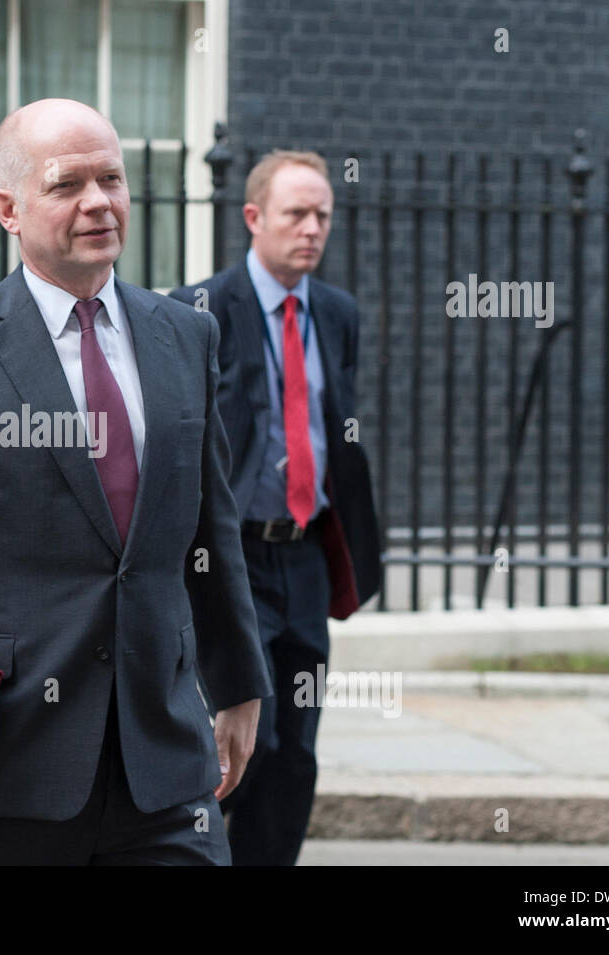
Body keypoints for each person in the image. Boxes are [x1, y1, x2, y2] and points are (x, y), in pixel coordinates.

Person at [0, 98, 270, 866]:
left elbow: (211, 530)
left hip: (163, 765)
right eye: (68, 184)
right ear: (8, 208)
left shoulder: (186, 334)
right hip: (7, 763)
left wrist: (239, 684)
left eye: (112, 179)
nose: (99, 202)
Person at [171, 150, 381, 865]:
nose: (313, 228)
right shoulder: (197, 309)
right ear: (254, 218)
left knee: (297, 751)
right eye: (297, 213)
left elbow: (333, 428)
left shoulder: (337, 313)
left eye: (323, 214)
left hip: (306, 557)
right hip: (231, 560)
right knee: (237, 741)